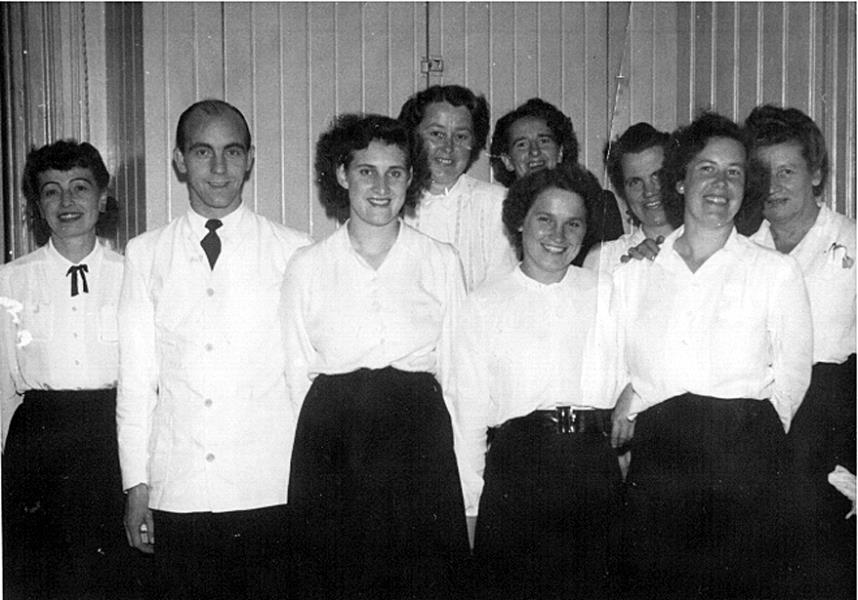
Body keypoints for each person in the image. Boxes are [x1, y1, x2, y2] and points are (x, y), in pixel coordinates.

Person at [610, 112, 812, 599]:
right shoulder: (636, 272)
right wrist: (636, 395)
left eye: (734, 172)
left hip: (746, 468)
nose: (721, 184)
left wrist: (750, 442)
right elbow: (622, 364)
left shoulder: (775, 272)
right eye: (707, 169)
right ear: (680, 180)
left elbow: (792, 380)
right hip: (661, 469)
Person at [117, 99, 313, 600]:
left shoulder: (294, 251)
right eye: (203, 152)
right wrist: (137, 486)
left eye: (233, 151)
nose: (220, 168)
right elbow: (136, 384)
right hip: (179, 488)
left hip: (268, 487)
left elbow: (306, 378)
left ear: (251, 158)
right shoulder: (146, 253)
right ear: (180, 160)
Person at [282, 114, 470, 600]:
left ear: (411, 178)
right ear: (342, 175)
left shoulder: (440, 260)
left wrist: (469, 486)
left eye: (395, 172)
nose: (382, 187)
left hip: (418, 443)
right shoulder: (308, 265)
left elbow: (460, 378)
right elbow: (295, 372)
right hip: (333, 446)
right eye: (367, 171)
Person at [450, 165, 622, 600]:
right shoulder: (482, 304)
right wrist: (471, 506)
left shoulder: (608, 292)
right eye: (545, 219)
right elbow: (468, 416)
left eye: (573, 223)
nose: (558, 235)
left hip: (593, 467)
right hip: (519, 471)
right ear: (520, 221)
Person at [1, 140, 139, 599]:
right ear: (37, 205)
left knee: (114, 577)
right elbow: (2, 387)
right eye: (51, 191)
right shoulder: (10, 280)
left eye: (80, 187)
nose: (67, 201)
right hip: (39, 440)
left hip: (111, 436)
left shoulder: (132, 275)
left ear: (102, 198)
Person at [745, 104, 856, 599]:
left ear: (815, 173)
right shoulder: (743, 250)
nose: (773, 186)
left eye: (787, 171)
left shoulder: (852, 242)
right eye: (762, 173)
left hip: (834, 427)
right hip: (761, 428)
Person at [398, 84, 516, 291]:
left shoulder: (498, 203)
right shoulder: (391, 200)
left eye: (461, 136)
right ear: (413, 136)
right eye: (437, 134)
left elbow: (502, 289)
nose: (448, 147)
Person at [489, 97, 624, 265]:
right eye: (522, 144)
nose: (535, 152)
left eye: (544, 141)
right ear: (507, 161)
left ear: (560, 152)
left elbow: (613, 266)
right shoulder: (493, 211)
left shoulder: (599, 204)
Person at [583, 123, 681, 272]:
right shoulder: (604, 259)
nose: (649, 191)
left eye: (658, 176)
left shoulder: (710, 248)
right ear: (623, 192)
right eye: (635, 182)